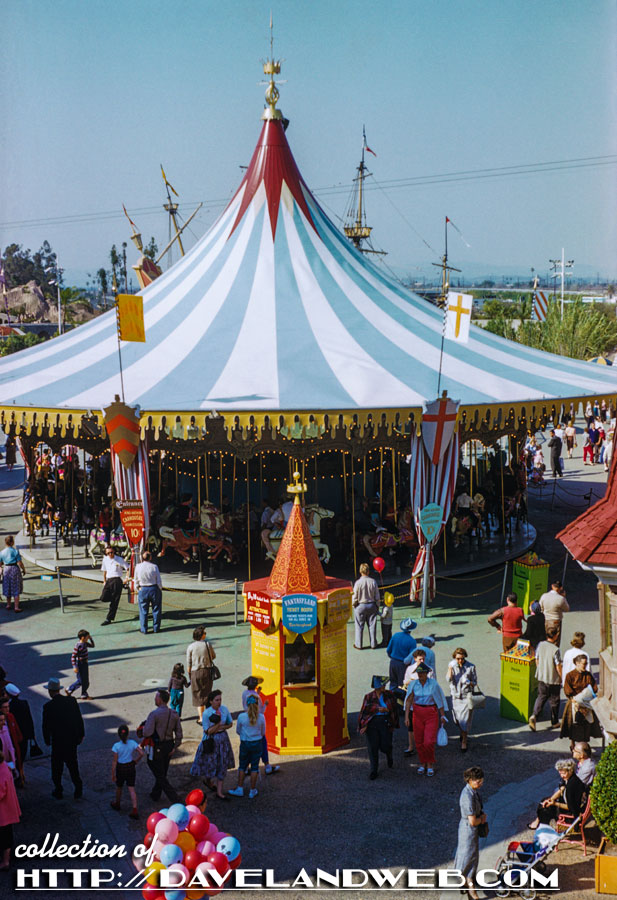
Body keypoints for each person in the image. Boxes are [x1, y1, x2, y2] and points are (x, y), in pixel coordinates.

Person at [41, 676, 85, 799]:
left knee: (57, 767)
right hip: (71, 740)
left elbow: (46, 726)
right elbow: (78, 719)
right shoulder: (71, 701)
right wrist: (81, 734)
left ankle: (58, 789)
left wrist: (47, 740)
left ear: (50, 691)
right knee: (73, 765)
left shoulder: (48, 707)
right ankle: (78, 788)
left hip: (58, 742)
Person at [190, 689, 234, 800]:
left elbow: (230, 724)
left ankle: (219, 792)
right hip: (211, 741)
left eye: (220, 700)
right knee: (210, 764)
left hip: (222, 739)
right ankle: (208, 780)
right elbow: (207, 731)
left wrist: (219, 727)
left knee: (222, 764)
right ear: (211, 701)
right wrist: (219, 724)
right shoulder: (206, 713)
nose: (219, 702)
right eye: (216, 700)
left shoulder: (224, 709)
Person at [405, 662, 447, 777]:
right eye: (418, 673)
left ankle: (430, 763)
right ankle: (422, 763)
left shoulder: (433, 684)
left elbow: (439, 700)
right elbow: (409, 700)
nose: (420, 675)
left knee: (429, 741)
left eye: (422, 673)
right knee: (419, 741)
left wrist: (442, 715)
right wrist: (406, 716)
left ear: (427, 673)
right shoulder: (413, 684)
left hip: (431, 713)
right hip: (417, 713)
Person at [142, 689, 182, 803]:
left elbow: (147, 733)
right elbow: (179, 733)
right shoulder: (174, 714)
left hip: (157, 746)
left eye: (156, 697)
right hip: (169, 746)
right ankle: (155, 794)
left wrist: (143, 728)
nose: (155, 699)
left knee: (159, 774)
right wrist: (175, 747)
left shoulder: (154, 714)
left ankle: (175, 799)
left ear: (160, 700)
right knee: (162, 771)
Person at [453, 766, 486, 900]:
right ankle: (468, 886)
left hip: (470, 830)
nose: (480, 782)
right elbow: (473, 821)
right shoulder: (467, 796)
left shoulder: (473, 792)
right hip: (468, 830)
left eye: (481, 780)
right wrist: (482, 819)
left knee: (471, 856)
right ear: (469, 780)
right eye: (477, 780)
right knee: (467, 857)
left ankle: (466, 883)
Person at [358, 675, 399, 781]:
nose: (384, 686)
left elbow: (394, 709)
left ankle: (388, 753)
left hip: (385, 722)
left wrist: (387, 711)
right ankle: (373, 770)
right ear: (377, 686)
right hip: (372, 724)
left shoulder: (389, 695)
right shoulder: (369, 696)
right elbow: (365, 712)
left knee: (385, 745)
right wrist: (364, 724)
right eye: (383, 685)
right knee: (373, 748)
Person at [527, 759, 587, 830]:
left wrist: (555, 803)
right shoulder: (571, 778)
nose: (562, 776)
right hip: (572, 807)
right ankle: (540, 823)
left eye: (564, 773)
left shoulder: (571, 787)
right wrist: (550, 800)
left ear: (570, 771)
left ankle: (543, 827)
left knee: (545, 810)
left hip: (571, 816)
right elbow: (560, 790)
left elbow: (570, 807)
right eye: (560, 773)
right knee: (544, 801)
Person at [228, 696, 267, 799]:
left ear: (247, 704)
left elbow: (238, 731)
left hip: (245, 743)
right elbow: (263, 732)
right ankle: (252, 790)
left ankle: (240, 788)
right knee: (255, 767)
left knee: (242, 766)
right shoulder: (261, 717)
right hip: (257, 743)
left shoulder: (241, 717)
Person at [560, 655, 602, 747]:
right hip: (574, 702)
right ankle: (573, 743)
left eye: (586, 663)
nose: (585, 665)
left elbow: (594, 688)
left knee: (586, 725)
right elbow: (568, 690)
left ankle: (584, 744)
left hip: (586, 703)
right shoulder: (570, 675)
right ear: (577, 663)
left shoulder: (588, 675)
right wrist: (576, 702)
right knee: (574, 725)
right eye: (584, 663)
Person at [241, 676, 279, 774]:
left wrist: (257, 693)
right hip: (257, 729)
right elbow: (261, 710)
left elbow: (251, 701)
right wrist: (265, 704)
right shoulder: (260, 715)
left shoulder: (245, 694)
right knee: (262, 745)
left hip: (247, 733)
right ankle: (267, 766)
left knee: (247, 751)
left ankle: (245, 768)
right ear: (255, 686)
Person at [529, 626, 562, 731]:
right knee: (554, 700)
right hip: (553, 679)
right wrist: (562, 677)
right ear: (556, 635)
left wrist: (540, 669)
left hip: (542, 676)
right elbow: (558, 666)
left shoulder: (540, 644)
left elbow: (536, 658)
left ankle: (534, 715)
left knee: (541, 696)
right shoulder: (556, 650)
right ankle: (555, 721)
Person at [446, 648, 478, 753]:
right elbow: (448, 679)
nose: (460, 661)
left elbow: (475, 682)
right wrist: (450, 668)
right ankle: (462, 733)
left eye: (462, 659)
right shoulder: (453, 666)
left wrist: (468, 682)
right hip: (455, 697)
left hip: (466, 697)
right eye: (458, 659)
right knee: (457, 720)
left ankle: (464, 740)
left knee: (464, 720)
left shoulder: (471, 667)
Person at [402, 648, 432, 757]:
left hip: (424, 702)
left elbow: (433, 684)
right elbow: (405, 682)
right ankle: (411, 746)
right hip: (412, 702)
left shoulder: (430, 670)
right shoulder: (410, 669)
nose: (422, 661)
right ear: (415, 659)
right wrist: (413, 681)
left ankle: (423, 746)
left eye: (423, 659)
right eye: (420, 659)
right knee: (411, 727)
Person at [110, 725, 143, 819]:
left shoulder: (116, 746)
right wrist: (136, 760)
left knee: (119, 787)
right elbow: (141, 753)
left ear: (118, 735)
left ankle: (117, 803)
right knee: (131, 788)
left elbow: (114, 761)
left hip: (121, 768)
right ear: (128, 734)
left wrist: (113, 774)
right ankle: (135, 809)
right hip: (130, 767)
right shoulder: (132, 743)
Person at [186, 625, 217, 725]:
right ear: (201, 636)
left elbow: (189, 663)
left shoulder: (190, 647)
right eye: (204, 633)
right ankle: (208, 715)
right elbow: (213, 656)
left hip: (195, 671)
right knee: (207, 692)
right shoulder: (207, 645)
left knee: (198, 694)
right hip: (207, 670)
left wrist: (190, 674)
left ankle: (201, 718)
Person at [352, 563, 380, 650]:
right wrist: (377, 606)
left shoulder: (357, 583)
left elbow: (355, 597)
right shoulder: (373, 581)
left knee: (359, 626)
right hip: (371, 605)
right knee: (372, 626)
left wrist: (354, 605)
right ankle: (373, 644)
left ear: (360, 571)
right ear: (368, 571)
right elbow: (377, 596)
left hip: (360, 605)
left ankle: (359, 644)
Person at [134, 551, 163, 634]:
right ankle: (156, 628)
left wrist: (137, 588)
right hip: (153, 587)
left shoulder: (138, 566)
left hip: (143, 588)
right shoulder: (154, 566)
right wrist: (159, 589)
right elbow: (159, 580)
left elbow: (135, 579)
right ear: (150, 558)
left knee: (143, 610)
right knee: (156, 609)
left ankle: (144, 629)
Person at [0, 751, 20, 870]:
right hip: (6, 810)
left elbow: (1, 792)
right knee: (6, 835)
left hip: (3, 812)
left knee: (5, 836)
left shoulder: (1, 772)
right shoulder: (4, 766)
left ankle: (6, 860)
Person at [99, 545, 129, 626]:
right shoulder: (105, 559)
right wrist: (104, 581)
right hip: (109, 580)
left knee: (114, 602)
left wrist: (126, 578)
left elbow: (128, 568)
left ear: (114, 551)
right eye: (108, 553)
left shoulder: (119, 559)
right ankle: (112, 599)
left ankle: (109, 618)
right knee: (103, 598)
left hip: (117, 581)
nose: (110, 554)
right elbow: (104, 571)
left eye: (111, 552)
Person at [5, 686, 34, 764]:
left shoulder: (9, 707)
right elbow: (29, 719)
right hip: (25, 732)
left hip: (15, 733)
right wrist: (32, 735)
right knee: (22, 752)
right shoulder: (24, 703)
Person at [386, 618, 417, 688]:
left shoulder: (395, 635)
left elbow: (388, 650)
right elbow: (412, 657)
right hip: (403, 665)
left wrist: (392, 657)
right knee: (402, 684)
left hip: (393, 662)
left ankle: (392, 697)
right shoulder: (412, 641)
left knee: (393, 682)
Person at [66, 629, 94, 700]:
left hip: (85, 663)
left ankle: (84, 694)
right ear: (82, 637)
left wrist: (91, 639)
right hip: (80, 664)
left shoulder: (85, 643)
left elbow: (92, 646)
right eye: (87, 637)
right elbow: (73, 657)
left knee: (86, 681)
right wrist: (74, 666)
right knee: (81, 680)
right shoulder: (78, 645)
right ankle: (70, 689)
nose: (88, 638)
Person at [539, 580, 569, 645]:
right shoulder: (561, 598)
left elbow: (540, 608)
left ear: (552, 586)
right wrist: (564, 597)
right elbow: (567, 609)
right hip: (556, 621)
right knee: (555, 641)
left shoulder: (544, 596)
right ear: (561, 588)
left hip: (546, 619)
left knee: (545, 638)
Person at [0, 536, 26, 613]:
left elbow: (0, 563)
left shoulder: (2, 552)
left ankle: (8, 605)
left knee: (7, 586)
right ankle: (16, 607)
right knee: (16, 587)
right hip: (14, 568)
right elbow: (20, 563)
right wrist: (23, 569)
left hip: (6, 569)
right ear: (12, 542)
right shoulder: (15, 551)